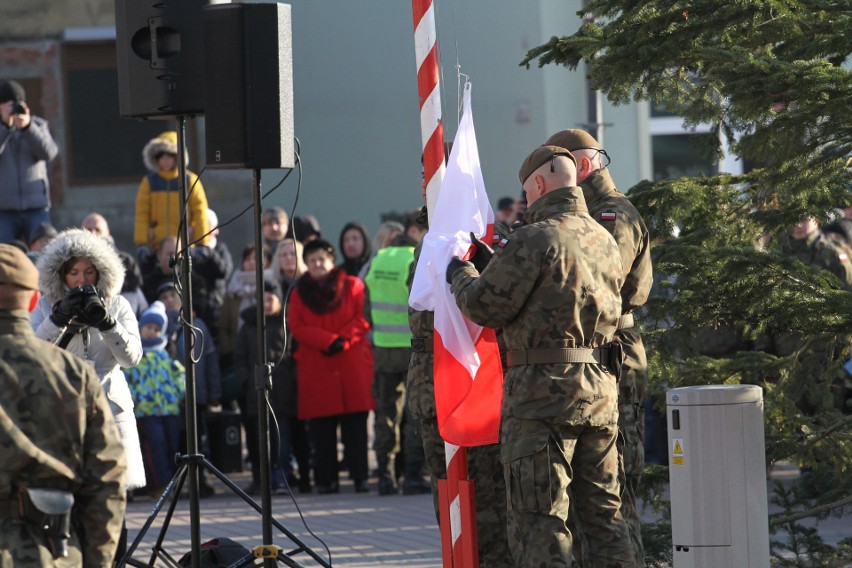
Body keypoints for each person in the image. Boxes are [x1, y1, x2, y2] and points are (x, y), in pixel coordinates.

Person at [445, 146, 634, 567]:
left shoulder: (535, 237)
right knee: (606, 518)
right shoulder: (604, 238)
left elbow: (485, 306)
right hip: (600, 393)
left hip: (541, 400)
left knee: (541, 522)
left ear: (539, 185)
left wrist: (461, 273)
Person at [545, 128, 653, 566]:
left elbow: (601, 288)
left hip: (613, 359)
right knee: (594, 507)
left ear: (582, 167)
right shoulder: (591, 215)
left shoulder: (612, 217)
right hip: (595, 360)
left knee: (614, 505)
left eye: (563, 170)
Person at [0, 243, 127, 566]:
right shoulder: (73, 374)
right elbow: (106, 478)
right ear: (31, 300)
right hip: (49, 552)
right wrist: (97, 561)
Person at [29, 228, 146, 560]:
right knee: (70, 500)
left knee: (113, 500)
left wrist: (106, 322)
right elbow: (32, 355)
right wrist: (58, 319)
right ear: (61, 275)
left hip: (111, 410)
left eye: (88, 272)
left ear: (100, 272)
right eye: (73, 273)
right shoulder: (43, 307)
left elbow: (132, 358)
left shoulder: (119, 304)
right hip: (62, 416)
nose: (81, 280)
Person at [288, 239, 374, 494]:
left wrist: (342, 340)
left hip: (350, 364)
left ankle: (360, 477)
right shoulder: (298, 293)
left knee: (356, 429)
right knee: (321, 431)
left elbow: (363, 317)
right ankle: (326, 480)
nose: (317, 264)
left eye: (321, 259)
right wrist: (329, 341)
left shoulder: (353, 285)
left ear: (331, 260)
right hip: (317, 366)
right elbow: (297, 326)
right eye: (312, 260)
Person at [364, 231, 430, 496]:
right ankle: (412, 475)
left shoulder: (378, 259)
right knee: (414, 413)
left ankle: (385, 476)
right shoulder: (414, 258)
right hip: (412, 348)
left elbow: (366, 306)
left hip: (382, 346)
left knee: (386, 414)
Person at [157, 281, 221, 498]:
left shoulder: (198, 325)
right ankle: (174, 486)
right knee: (177, 441)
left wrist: (214, 393)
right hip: (170, 400)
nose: (169, 301)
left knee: (198, 440)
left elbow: (210, 361)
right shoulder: (159, 329)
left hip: (197, 394)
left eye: (172, 296)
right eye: (164, 298)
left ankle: (200, 482)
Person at [124, 301, 186, 497]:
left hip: (169, 409)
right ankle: (160, 485)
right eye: (149, 328)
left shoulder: (165, 356)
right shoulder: (135, 357)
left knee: (171, 446)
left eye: (157, 329)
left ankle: (172, 483)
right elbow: (127, 381)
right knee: (155, 447)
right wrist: (136, 398)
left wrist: (178, 393)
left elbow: (179, 375)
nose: (152, 332)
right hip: (146, 411)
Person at [234, 279, 289, 495]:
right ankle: (260, 478)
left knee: (281, 438)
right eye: (263, 300)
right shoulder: (248, 326)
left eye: (271, 299)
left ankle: (281, 476)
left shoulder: (285, 324)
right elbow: (239, 357)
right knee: (257, 440)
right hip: (255, 392)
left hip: (282, 390)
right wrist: (247, 380)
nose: (267, 304)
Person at [0, 80, 60, 245]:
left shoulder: (38, 126)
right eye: (9, 104)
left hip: (36, 207)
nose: (14, 109)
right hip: (4, 210)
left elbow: (49, 153)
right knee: (4, 256)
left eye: (18, 104)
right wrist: (5, 127)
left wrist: (27, 128)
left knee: (46, 251)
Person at [134, 131, 210, 252]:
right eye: (162, 157)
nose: (166, 161)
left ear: (177, 157)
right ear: (156, 159)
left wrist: (202, 243)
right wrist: (142, 242)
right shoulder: (149, 182)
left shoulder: (190, 180)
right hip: (157, 246)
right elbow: (142, 213)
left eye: (169, 157)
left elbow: (200, 212)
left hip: (186, 245)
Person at [82, 212, 149, 319]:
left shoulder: (125, 262)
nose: (93, 233)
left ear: (107, 233)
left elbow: (139, 299)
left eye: (98, 230)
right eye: (89, 230)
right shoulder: (73, 262)